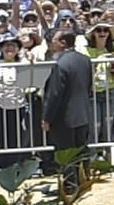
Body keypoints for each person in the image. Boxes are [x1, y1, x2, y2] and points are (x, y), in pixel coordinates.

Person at [34, 24, 97, 162]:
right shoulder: (85, 60)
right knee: (81, 154)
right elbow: (88, 86)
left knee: (66, 157)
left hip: (64, 118)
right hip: (83, 115)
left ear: (62, 43)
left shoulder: (60, 64)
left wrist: (47, 118)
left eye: (52, 41)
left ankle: (71, 177)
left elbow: (54, 94)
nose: (50, 44)